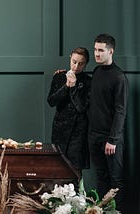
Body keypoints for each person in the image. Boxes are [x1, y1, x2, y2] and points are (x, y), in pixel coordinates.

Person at [88, 34, 128, 212]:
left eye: (101, 50)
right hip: (94, 136)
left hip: (111, 139)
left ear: (111, 51)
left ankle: (116, 212)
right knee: (101, 177)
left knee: (116, 179)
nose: (96, 54)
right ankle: (101, 211)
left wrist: (112, 139)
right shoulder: (96, 72)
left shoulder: (119, 77)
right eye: (95, 49)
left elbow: (121, 111)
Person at [47, 47, 91, 177]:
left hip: (78, 132)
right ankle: (57, 197)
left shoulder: (89, 81)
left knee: (75, 170)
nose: (76, 66)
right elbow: (51, 101)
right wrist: (66, 86)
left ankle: (77, 197)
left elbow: (81, 107)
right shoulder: (59, 76)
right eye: (74, 61)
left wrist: (73, 87)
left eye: (81, 63)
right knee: (57, 167)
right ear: (70, 58)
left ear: (86, 63)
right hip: (60, 130)